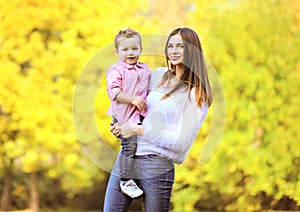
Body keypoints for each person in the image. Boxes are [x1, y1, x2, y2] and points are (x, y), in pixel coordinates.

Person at [103, 27, 213, 212]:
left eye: (180, 46)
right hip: (128, 157)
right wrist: (121, 126)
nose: (174, 51)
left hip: (157, 165)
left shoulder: (196, 94)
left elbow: (181, 142)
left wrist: (138, 129)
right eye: (170, 46)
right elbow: (133, 106)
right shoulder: (156, 76)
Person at [106, 28, 151, 198]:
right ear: (117, 52)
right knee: (129, 145)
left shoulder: (145, 69)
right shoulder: (116, 71)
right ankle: (125, 180)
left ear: (141, 50)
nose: (130, 53)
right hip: (124, 114)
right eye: (125, 50)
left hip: (139, 114)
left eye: (134, 49)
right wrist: (132, 99)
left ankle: (137, 173)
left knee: (140, 144)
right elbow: (114, 92)